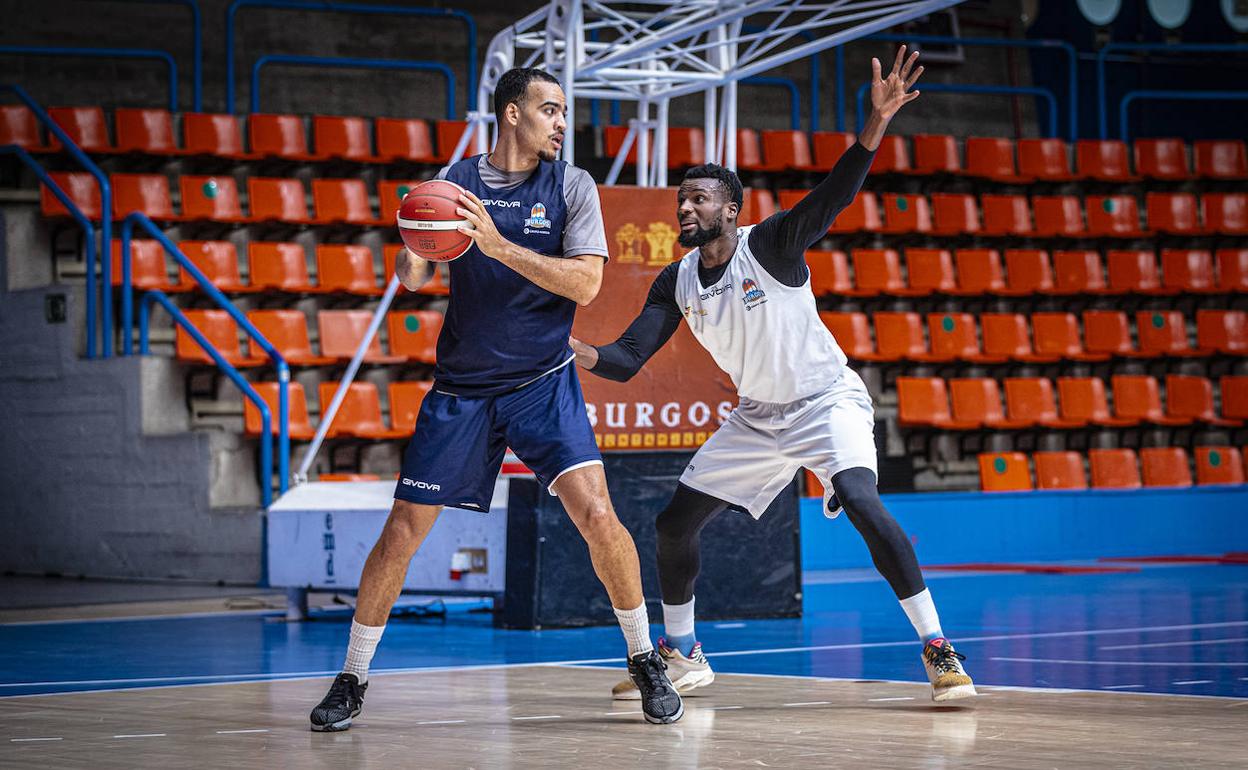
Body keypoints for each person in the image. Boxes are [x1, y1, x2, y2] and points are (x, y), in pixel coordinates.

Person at [571, 47, 976, 703]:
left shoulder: (772, 243)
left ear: (731, 209)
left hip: (824, 402)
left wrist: (874, 125)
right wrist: (572, 350)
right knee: (674, 525)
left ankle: (939, 650)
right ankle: (685, 655)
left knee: (865, 504)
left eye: (699, 199)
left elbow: (837, 192)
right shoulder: (674, 282)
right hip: (758, 417)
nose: (685, 208)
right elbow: (622, 361)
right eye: (681, 200)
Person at [310, 67, 683, 731]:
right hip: (462, 391)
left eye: (563, 111)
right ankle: (352, 676)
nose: (561, 123)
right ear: (512, 115)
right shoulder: (452, 184)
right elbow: (416, 278)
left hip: (544, 382)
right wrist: (416, 249)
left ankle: (645, 658)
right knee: (401, 531)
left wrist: (499, 245)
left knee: (598, 512)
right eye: (550, 109)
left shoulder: (571, 185)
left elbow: (585, 286)